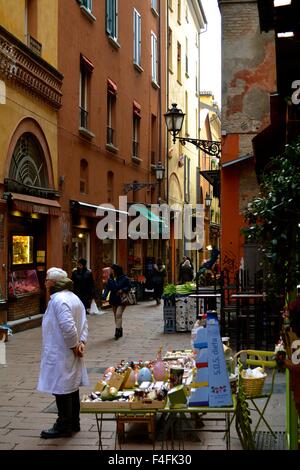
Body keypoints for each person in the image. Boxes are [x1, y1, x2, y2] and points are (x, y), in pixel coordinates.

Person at [38, 267, 89, 439]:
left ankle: (63, 424)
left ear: (53, 282)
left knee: (62, 388)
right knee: (71, 387)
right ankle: (74, 422)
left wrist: (75, 345)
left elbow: (68, 326)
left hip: (62, 351)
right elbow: (84, 323)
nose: (45, 282)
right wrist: (81, 342)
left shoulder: (58, 300)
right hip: (68, 350)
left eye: (47, 279)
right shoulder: (73, 297)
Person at [102, 264, 130, 340]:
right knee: (116, 315)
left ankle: (117, 331)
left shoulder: (124, 278)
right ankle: (119, 329)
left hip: (121, 299)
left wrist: (123, 290)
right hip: (113, 298)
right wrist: (104, 296)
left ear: (116, 270)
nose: (110, 271)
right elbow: (107, 288)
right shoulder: (110, 278)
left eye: (112, 269)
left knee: (118, 314)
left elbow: (129, 286)